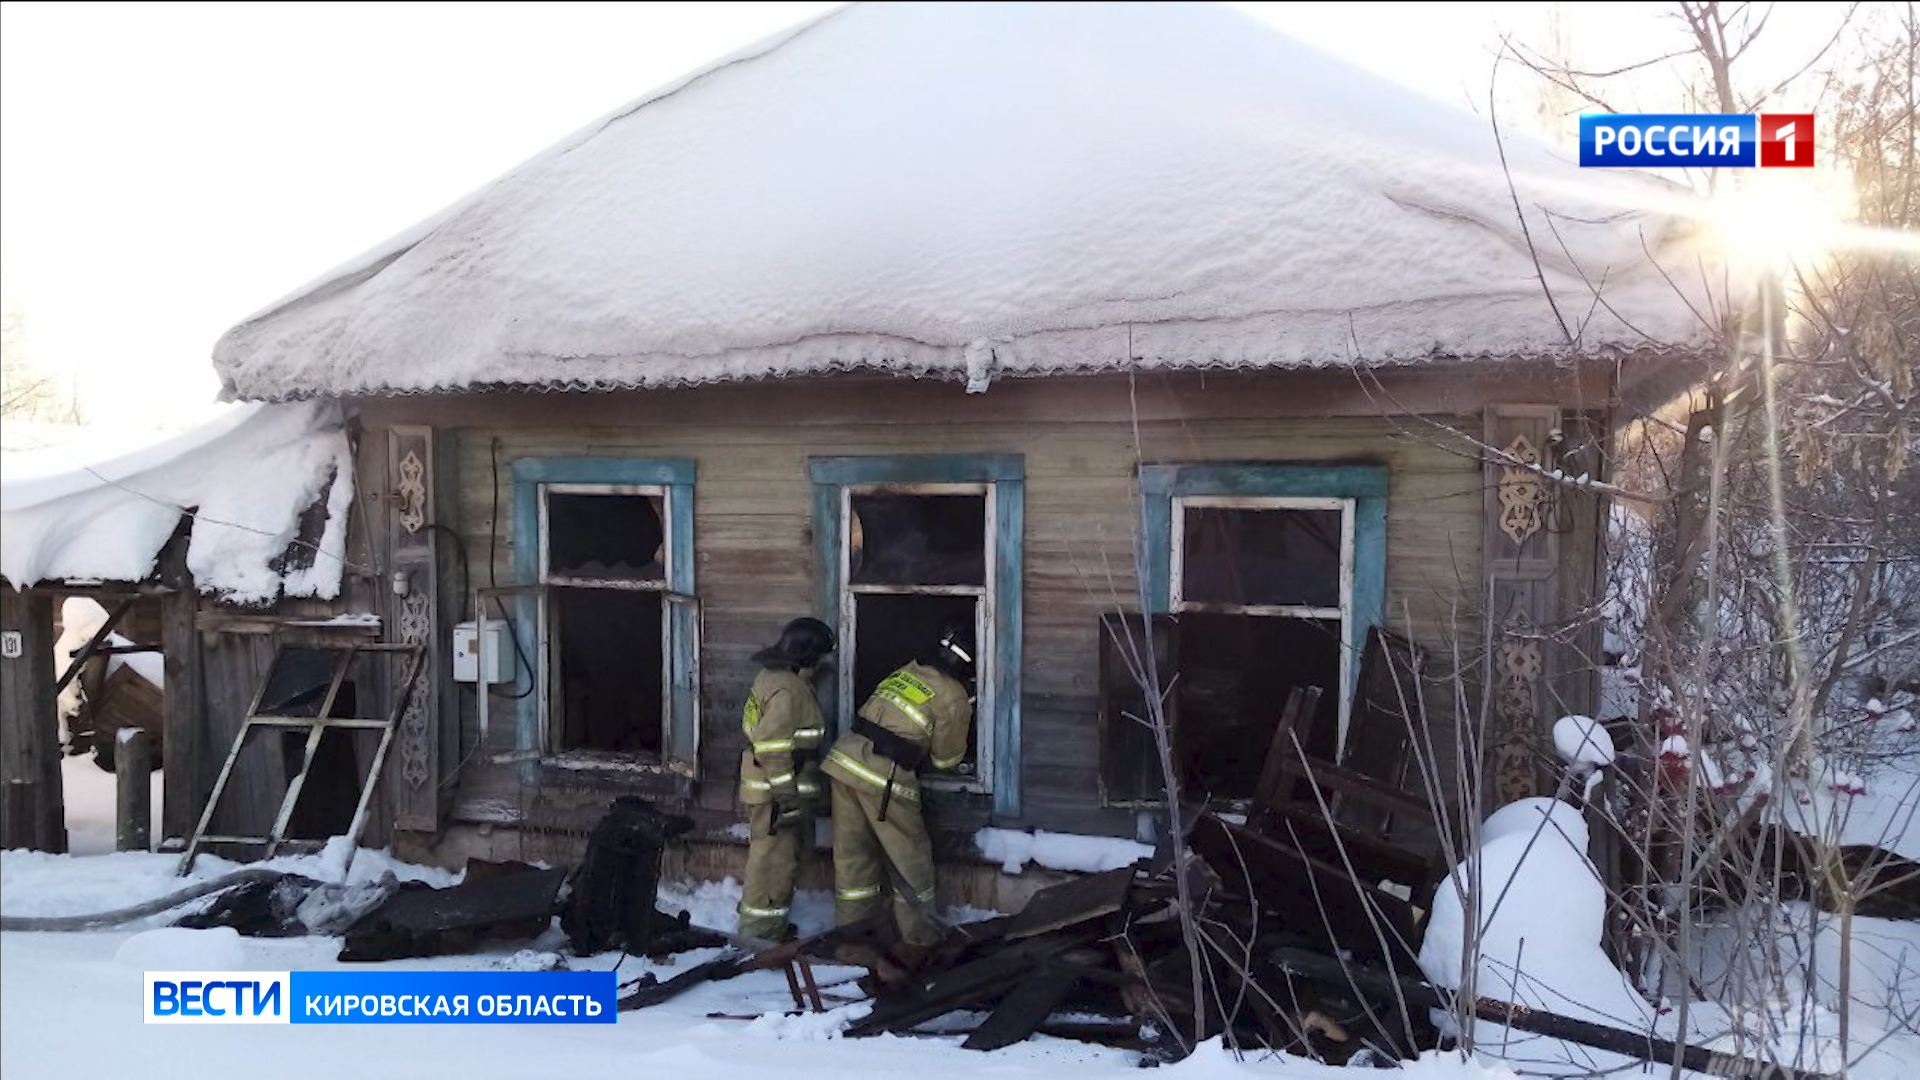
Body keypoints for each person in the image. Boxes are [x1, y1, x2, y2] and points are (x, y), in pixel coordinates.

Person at [821, 618, 976, 954]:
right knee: (910, 864)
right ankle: (918, 944)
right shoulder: (954, 695)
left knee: (853, 862)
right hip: (883, 775)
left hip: (844, 761)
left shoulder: (908, 670)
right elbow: (945, 760)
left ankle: (853, 945)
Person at [735, 617, 836, 942]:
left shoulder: (772, 676)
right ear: (809, 655)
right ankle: (760, 937)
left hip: (768, 788)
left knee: (777, 860)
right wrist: (786, 796)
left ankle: (766, 929)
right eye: (821, 657)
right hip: (776, 793)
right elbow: (772, 747)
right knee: (772, 866)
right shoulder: (789, 690)